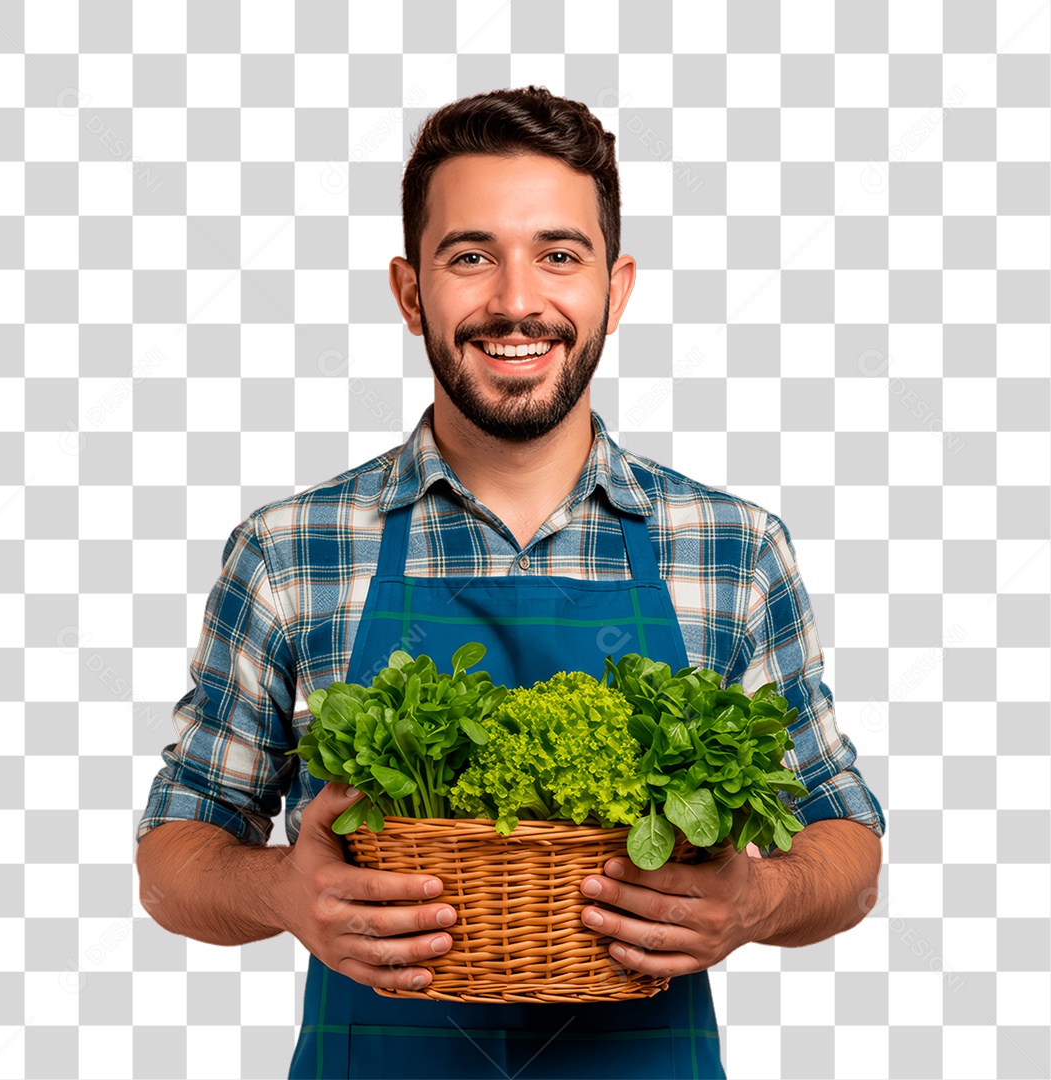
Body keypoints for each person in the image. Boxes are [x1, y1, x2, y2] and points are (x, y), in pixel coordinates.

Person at [135, 86, 886, 1080]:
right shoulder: (291, 549)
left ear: (616, 288)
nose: (516, 300)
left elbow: (847, 840)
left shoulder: (733, 547)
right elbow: (174, 853)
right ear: (411, 292)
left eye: (558, 255)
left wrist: (755, 900)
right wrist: (282, 892)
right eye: (471, 255)